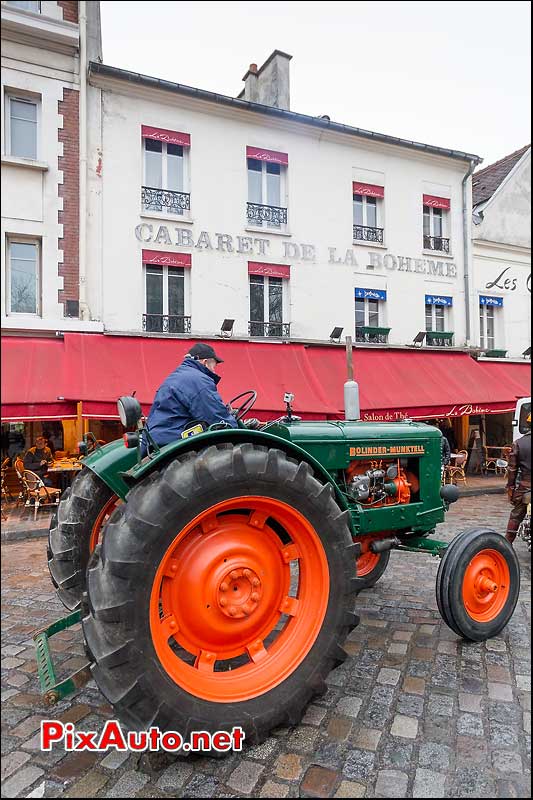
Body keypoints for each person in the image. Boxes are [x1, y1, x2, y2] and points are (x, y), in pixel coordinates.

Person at [143, 343, 238, 450]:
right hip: (174, 439)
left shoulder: (176, 376)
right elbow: (214, 415)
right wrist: (234, 428)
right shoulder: (198, 380)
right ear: (205, 362)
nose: (214, 371)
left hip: (159, 438)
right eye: (214, 366)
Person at [505, 412, 531, 546]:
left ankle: (506, 546)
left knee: (515, 516)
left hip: (525, 487)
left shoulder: (519, 443)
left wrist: (510, 488)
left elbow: (512, 469)